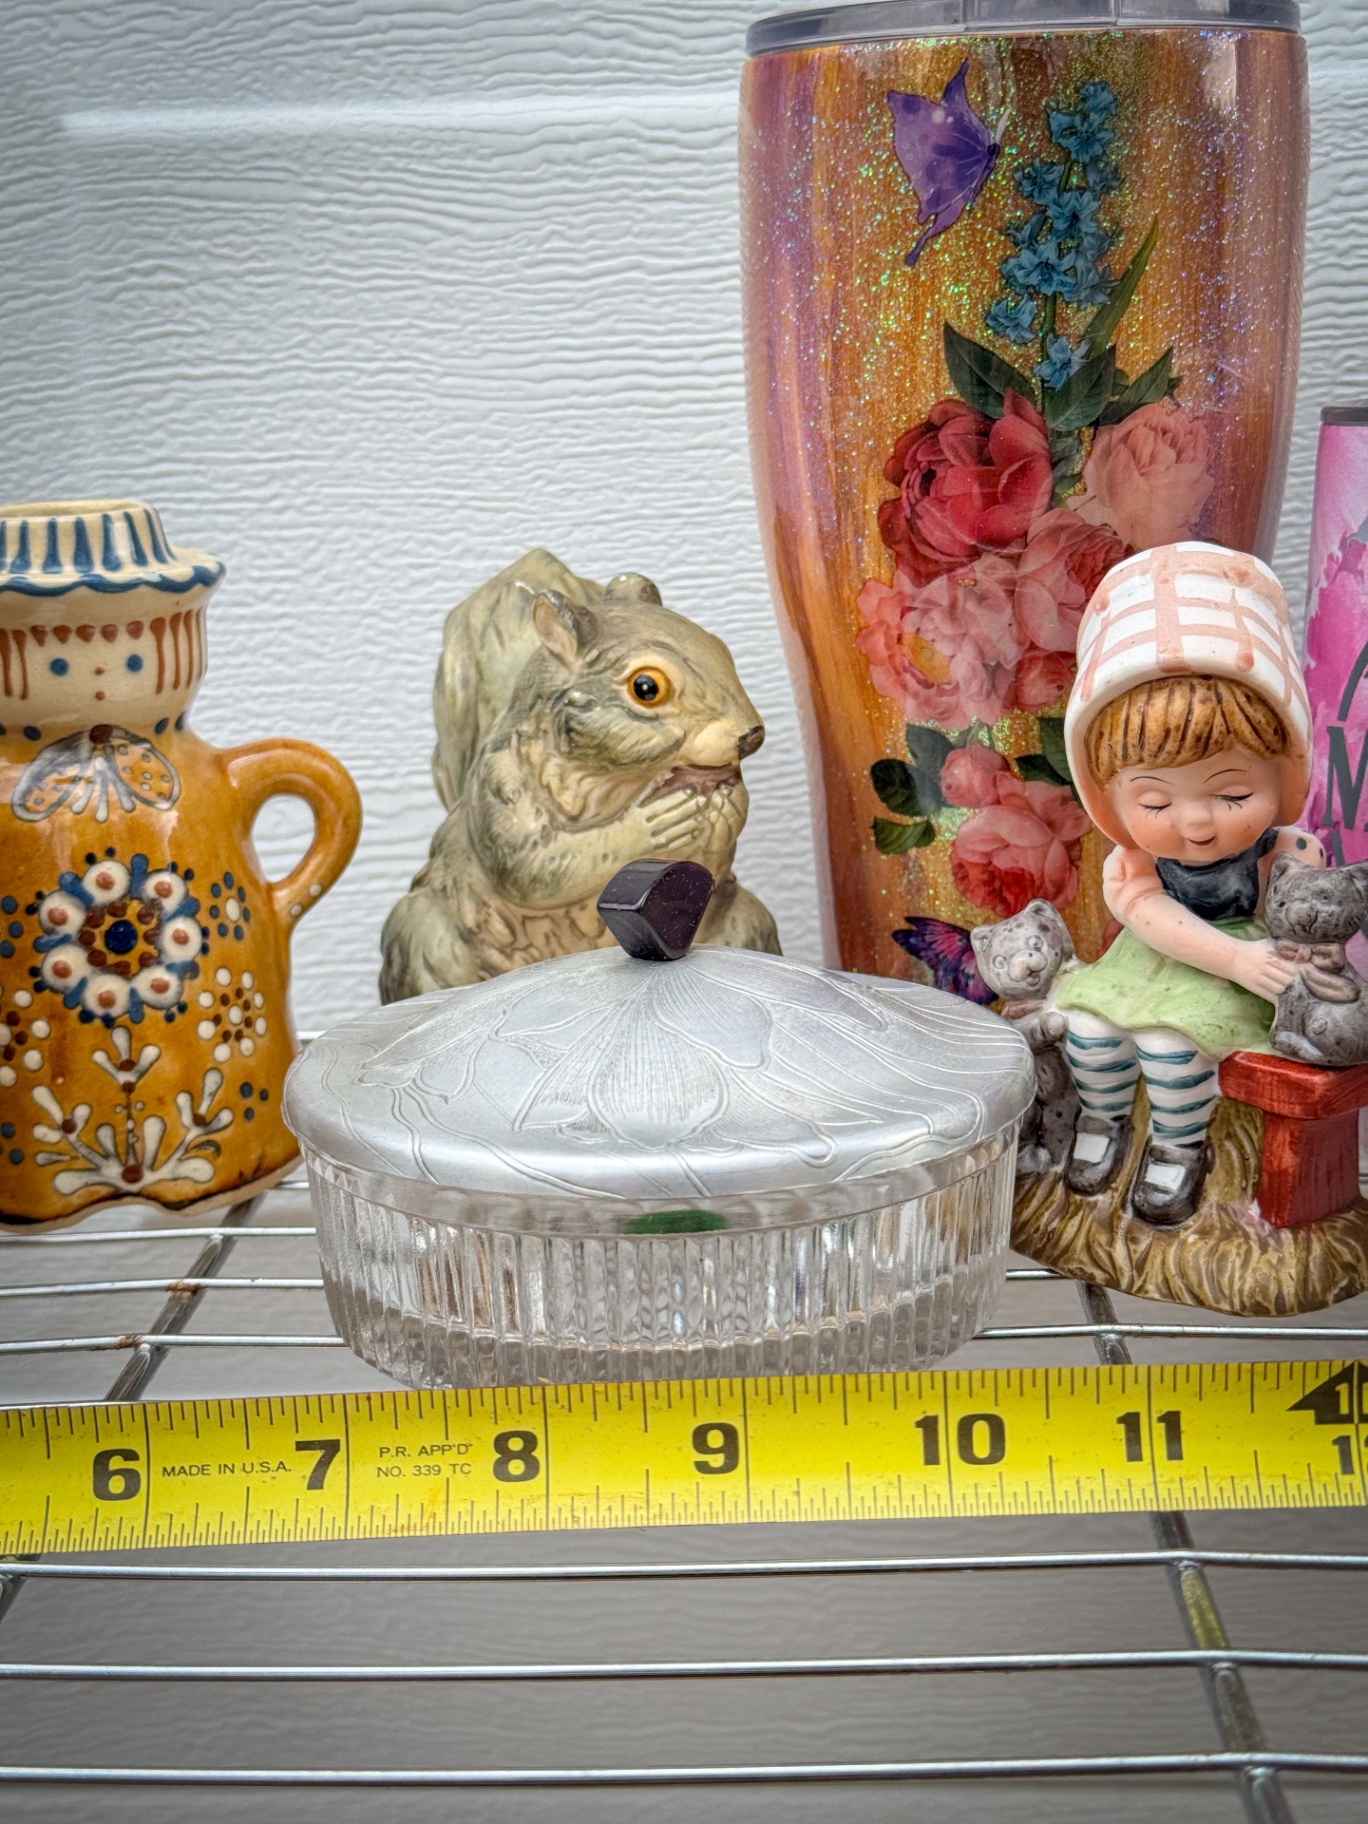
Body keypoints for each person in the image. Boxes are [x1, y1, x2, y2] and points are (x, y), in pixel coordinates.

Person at [1054, 542, 1321, 1225]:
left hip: (1233, 983)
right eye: (1155, 802)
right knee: (1088, 1027)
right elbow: (1153, 921)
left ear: (1285, 773)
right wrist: (1234, 957)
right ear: (1110, 799)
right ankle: (1102, 1121)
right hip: (1163, 962)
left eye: (1233, 794)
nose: (1196, 823)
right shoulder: (1132, 865)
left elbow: (1312, 925)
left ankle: (1178, 1148)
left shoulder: (1286, 854)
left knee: (1171, 1043)